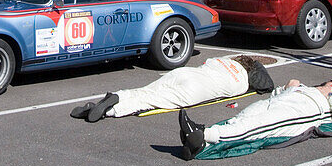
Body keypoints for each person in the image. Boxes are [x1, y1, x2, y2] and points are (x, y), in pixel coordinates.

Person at [179, 78, 332, 160]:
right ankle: (199, 146)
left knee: (254, 127)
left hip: (298, 112)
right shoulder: (308, 87)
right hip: (276, 102)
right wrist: (289, 87)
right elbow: (277, 93)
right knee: (240, 119)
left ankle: (203, 133)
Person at [71, 55, 274, 122]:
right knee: (150, 101)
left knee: (146, 90)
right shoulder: (242, 82)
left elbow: (208, 63)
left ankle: (115, 96)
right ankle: (110, 110)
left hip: (185, 73)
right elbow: (265, 85)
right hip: (197, 88)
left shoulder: (221, 60)